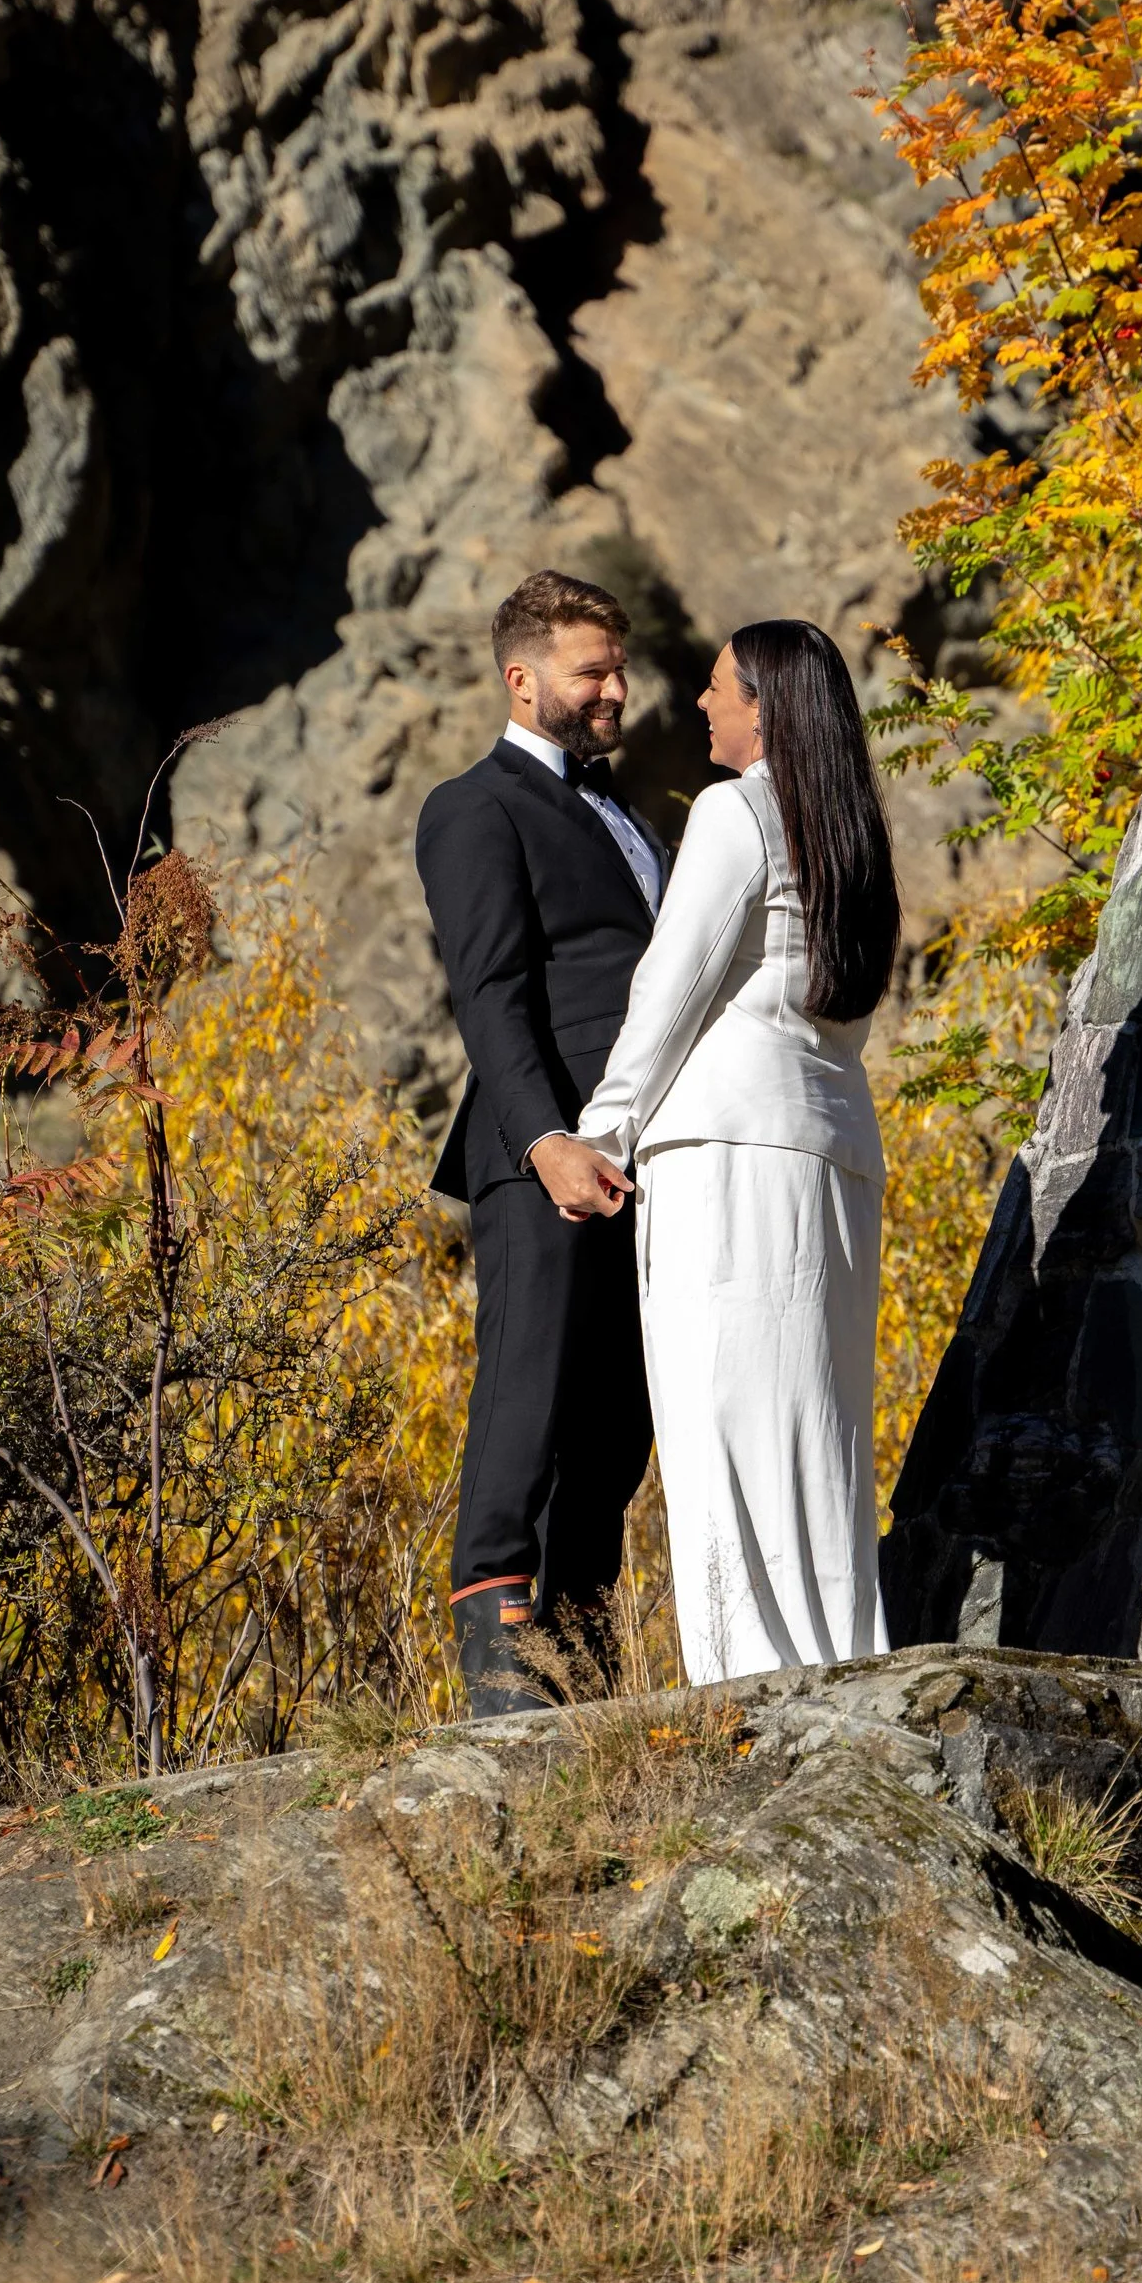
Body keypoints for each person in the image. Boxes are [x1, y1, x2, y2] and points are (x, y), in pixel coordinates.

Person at [547, 621, 899, 1683]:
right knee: (820, 1433)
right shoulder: (852, 834)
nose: (699, 708)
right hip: (833, 1148)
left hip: (726, 1157)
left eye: (715, 691)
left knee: (726, 1426)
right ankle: (841, 1670)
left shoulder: (736, 810)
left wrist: (595, 1132)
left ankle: (753, 1688)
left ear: (765, 706)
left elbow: (671, 987)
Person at [414, 573, 666, 1716]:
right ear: (523, 679)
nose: (615, 689)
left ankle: (581, 1663)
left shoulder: (635, 817)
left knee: (618, 1423)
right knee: (529, 1394)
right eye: (591, 671)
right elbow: (490, 993)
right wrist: (546, 1140)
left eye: (618, 667)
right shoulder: (476, 807)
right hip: (542, 1156)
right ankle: (502, 1673)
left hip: (643, 1162)